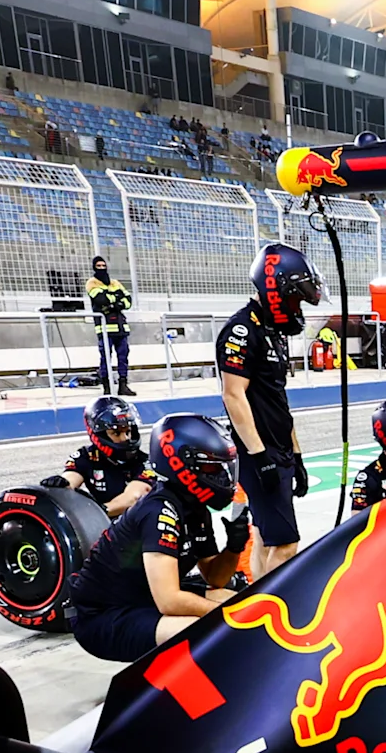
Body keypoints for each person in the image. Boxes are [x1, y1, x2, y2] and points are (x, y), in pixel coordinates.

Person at [66, 415, 240, 662]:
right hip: (103, 616)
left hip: (143, 598)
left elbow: (216, 579)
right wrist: (231, 618)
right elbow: (169, 601)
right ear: (182, 465)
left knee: (239, 600)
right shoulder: (159, 511)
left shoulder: (194, 506)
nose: (224, 477)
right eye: (212, 468)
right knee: (209, 632)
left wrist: (234, 547)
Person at [215, 243, 322, 575]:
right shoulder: (241, 331)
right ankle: (277, 602)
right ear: (276, 291)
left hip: (279, 449)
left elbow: (278, 399)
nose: (297, 308)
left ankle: (256, 598)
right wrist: (260, 457)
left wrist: (297, 454)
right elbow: (233, 395)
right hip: (259, 452)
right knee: (286, 545)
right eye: (295, 300)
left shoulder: (272, 332)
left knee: (265, 537)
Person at [67, 394, 148, 507]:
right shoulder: (87, 456)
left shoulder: (147, 463)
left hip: (135, 517)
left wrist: (98, 513)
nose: (125, 438)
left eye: (128, 431)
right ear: (100, 435)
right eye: (116, 433)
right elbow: (69, 480)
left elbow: (133, 498)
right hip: (102, 516)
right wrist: (60, 484)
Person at [87, 253, 134, 396]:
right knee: (105, 358)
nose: (102, 268)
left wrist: (114, 304)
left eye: (103, 265)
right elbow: (101, 300)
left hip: (121, 327)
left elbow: (128, 300)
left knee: (123, 357)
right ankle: (107, 387)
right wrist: (117, 300)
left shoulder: (115, 283)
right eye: (98, 266)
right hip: (105, 328)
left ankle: (123, 385)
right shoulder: (92, 283)